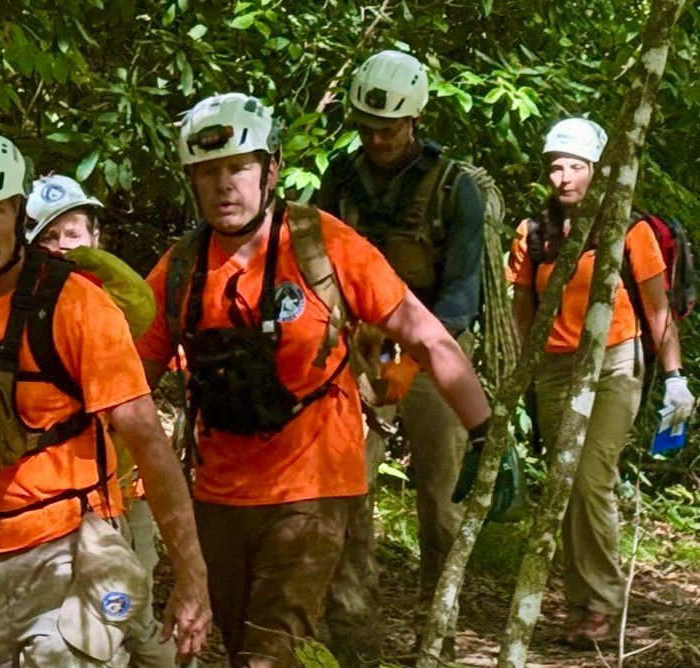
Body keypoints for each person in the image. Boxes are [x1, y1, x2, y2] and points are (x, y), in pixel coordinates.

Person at [136, 92, 491, 667]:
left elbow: (428, 336)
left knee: (268, 654)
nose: (223, 185)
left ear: (270, 170)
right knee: (243, 646)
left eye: (238, 168)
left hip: (316, 483)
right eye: (207, 172)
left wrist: (482, 431)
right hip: (220, 494)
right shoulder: (181, 268)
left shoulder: (322, 245)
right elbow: (129, 385)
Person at [0, 129, 211, 667]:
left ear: (18, 211)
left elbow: (147, 439)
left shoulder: (78, 306)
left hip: (70, 547)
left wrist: (192, 576)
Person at [315, 49, 487, 660]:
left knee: (440, 498)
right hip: (360, 349)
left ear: (414, 120)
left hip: (434, 349)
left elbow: (463, 294)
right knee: (345, 486)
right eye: (366, 127)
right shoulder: (340, 178)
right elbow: (320, 271)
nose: (377, 138)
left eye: (388, 128)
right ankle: (352, 629)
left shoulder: (455, 188)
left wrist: (413, 358)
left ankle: (437, 628)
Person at [507, 117, 695, 645]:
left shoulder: (627, 230)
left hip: (614, 361)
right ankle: (578, 601)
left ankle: (604, 603)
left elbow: (659, 311)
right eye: (556, 167)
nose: (563, 177)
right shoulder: (534, 232)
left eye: (575, 167)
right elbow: (523, 306)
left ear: (596, 170)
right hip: (553, 367)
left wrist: (676, 380)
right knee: (562, 488)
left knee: (591, 479)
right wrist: (522, 369)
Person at [24, 174, 168, 666]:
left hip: (128, 488)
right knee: (88, 624)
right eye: (48, 236)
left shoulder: (112, 296)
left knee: (132, 609)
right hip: (70, 497)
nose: (62, 246)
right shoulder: (23, 308)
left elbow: (140, 307)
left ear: (95, 237)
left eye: (73, 233)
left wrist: (84, 263)